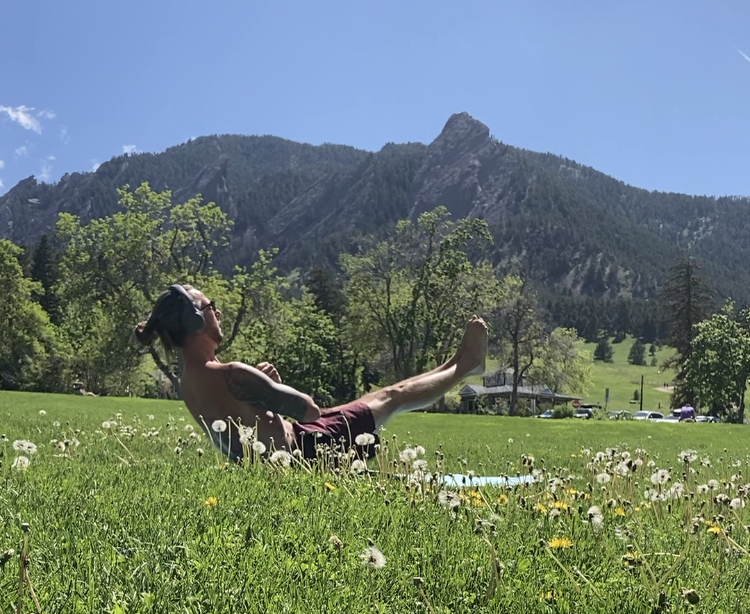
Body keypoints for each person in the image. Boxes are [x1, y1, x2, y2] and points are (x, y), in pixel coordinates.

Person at [134, 284, 488, 461]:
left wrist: (264, 392)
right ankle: (465, 365)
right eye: (211, 307)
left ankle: (452, 364)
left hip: (286, 451)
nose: (218, 312)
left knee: (378, 397)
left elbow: (240, 428)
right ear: (195, 320)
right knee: (390, 397)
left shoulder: (187, 384)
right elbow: (310, 410)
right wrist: (272, 384)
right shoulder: (232, 373)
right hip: (306, 448)